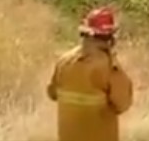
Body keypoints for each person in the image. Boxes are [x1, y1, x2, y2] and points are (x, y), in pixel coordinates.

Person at [47, 7, 134, 141]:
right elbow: (123, 104)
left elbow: (52, 93)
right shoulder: (109, 67)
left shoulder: (64, 60)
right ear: (109, 36)